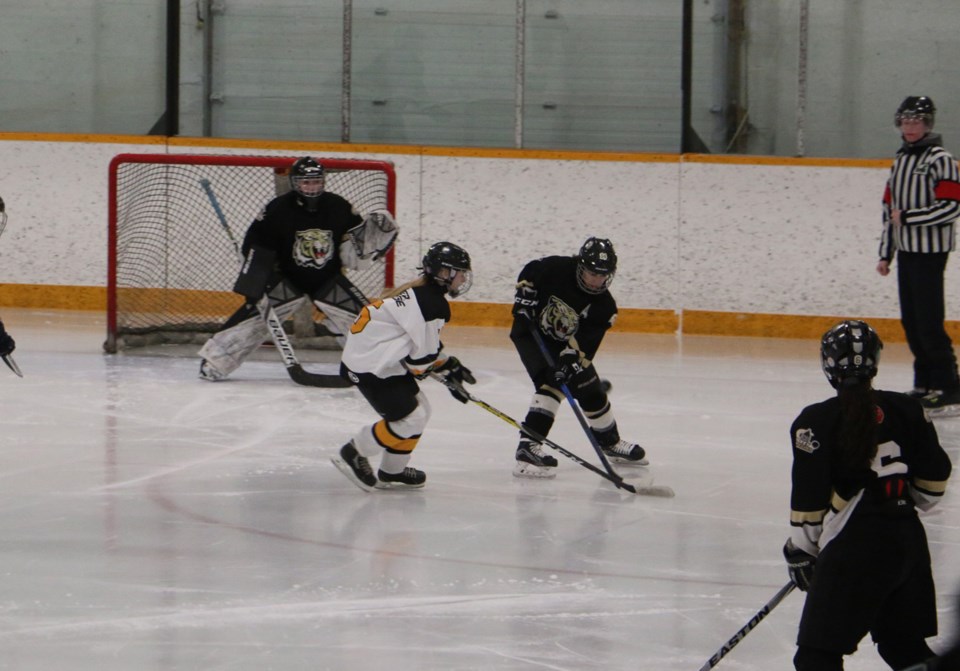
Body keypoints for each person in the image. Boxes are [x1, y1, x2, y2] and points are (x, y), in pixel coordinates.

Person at [783, 319, 952, 671]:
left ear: (828, 364)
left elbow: (809, 505)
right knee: (905, 649)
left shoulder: (816, 421)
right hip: (908, 541)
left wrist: (800, 551)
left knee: (816, 658)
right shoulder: (908, 410)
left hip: (854, 549)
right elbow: (932, 485)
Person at [197, 156, 398, 381]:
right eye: (306, 182)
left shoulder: (339, 206)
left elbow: (357, 242)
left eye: (316, 182)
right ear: (295, 183)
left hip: (327, 279)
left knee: (364, 318)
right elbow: (255, 243)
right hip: (286, 280)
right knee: (254, 316)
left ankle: (385, 362)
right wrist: (255, 279)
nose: (312, 187)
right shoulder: (278, 208)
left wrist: (372, 243)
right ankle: (214, 361)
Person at [332, 241, 475, 491]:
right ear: (444, 273)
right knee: (410, 420)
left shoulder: (425, 295)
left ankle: (392, 471)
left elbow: (420, 346)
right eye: (460, 272)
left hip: (378, 360)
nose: (463, 278)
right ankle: (354, 451)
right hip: (369, 367)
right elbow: (418, 363)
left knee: (421, 411)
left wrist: (448, 364)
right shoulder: (432, 304)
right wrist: (444, 371)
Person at [508, 237, 646, 478]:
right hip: (531, 334)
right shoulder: (555, 268)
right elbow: (530, 271)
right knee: (551, 384)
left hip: (564, 344)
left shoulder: (604, 307)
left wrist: (570, 362)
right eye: (592, 273)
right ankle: (527, 448)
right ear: (580, 265)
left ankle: (609, 442)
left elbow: (584, 347)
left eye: (603, 275)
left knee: (590, 387)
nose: (597, 280)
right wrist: (525, 291)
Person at [876, 96, 960, 412]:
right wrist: (885, 254)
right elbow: (889, 211)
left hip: (931, 253)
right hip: (908, 252)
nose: (911, 127)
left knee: (928, 321)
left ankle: (949, 384)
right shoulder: (900, 162)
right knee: (911, 322)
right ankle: (924, 381)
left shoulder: (941, 159)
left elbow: (952, 207)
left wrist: (909, 217)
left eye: (917, 121)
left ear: (928, 124)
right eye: (906, 121)